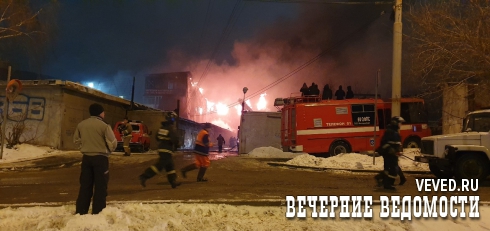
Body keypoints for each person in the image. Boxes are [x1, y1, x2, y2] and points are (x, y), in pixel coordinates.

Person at [73, 103, 117, 215]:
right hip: (101, 159)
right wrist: (108, 150)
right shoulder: (104, 126)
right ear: (100, 113)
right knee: (100, 186)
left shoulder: (81, 124)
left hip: (86, 158)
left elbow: (76, 140)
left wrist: (83, 148)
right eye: (103, 112)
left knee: (85, 185)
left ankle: (81, 211)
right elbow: (113, 142)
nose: (104, 113)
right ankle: (98, 212)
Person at [139, 112, 182, 189]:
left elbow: (157, 137)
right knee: (159, 166)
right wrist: (178, 144)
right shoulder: (170, 128)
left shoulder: (162, 128)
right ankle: (144, 176)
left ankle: (173, 182)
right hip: (167, 150)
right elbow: (175, 139)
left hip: (162, 148)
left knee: (170, 166)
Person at [374, 116, 405, 190]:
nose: (400, 125)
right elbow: (385, 143)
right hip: (388, 154)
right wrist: (391, 150)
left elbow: (395, 143)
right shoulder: (390, 132)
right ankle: (387, 184)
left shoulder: (393, 131)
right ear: (395, 123)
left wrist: (397, 150)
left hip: (391, 153)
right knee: (392, 169)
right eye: (400, 123)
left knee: (390, 169)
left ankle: (382, 179)